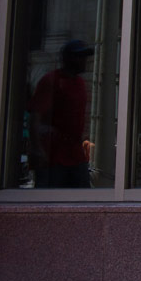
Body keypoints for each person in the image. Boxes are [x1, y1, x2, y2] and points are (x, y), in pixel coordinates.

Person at [27, 39, 95, 188]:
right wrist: (38, 148)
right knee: (51, 195)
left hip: (75, 153)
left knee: (83, 195)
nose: (84, 61)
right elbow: (35, 116)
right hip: (54, 154)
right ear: (68, 58)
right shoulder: (52, 81)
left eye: (84, 56)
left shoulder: (80, 83)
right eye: (80, 57)